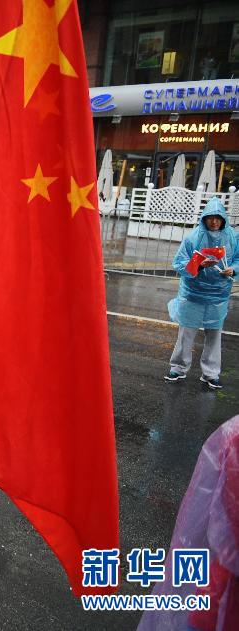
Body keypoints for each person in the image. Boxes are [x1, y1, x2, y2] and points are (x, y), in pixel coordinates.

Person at [138, 415, 239, 631]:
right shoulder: (233, 438)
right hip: (221, 601)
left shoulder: (232, 436)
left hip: (219, 599)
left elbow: (195, 529)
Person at [165, 198, 239, 389]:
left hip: (219, 295)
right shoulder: (193, 238)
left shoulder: (233, 237)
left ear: (223, 219)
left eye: (218, 218)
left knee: (214, 335)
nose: (214, 222)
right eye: (210, 218)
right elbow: (179, 263)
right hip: (193, 294)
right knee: (186, 333)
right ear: (204, 218)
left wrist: (233, 269)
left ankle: (211, 373)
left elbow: (238, 258)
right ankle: (178, 368)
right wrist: (198, 264)